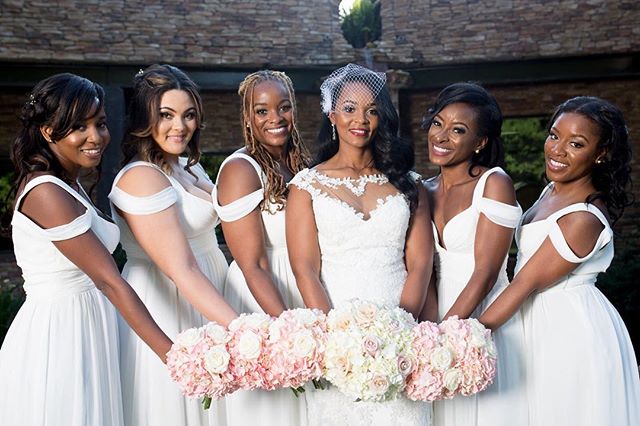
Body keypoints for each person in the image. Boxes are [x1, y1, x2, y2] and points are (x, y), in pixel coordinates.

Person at [0, 73, 172, 426]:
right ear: (49, 131)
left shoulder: (70, 183)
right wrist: (174, 357)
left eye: (101, 124)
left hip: (90, 324)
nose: (96, 137)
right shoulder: (46, 192)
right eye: (80, 126)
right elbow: (109, 280)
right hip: (61, 333)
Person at [287, 63, 434, 426]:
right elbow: (305, 268)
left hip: (402, 331)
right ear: (332, 114)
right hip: (336, 334)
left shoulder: (408, 183)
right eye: (350, 108)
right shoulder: (306, 186)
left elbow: (420, 265)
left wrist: (402, 330)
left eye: (372, 110)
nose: (361, 119)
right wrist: (334, 340)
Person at [480, 96, 640, 425]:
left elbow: (524, 283)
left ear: (601, 153)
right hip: (533, 320)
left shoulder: (583, 217)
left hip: (567, 329)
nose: (557, 150)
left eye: (576, 144)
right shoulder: (552, 190)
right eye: (554, 136)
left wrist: (463, 335)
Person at [108, 64, 237, 426]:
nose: (180, 127)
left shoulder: (187, 167)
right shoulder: (139, 178)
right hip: (170, 302)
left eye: (188, 115)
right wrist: (244, 329)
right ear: (144, 117)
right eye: (166, 115)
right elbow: (183, 269)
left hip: (207, 292)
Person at [420, 82, 527, 426]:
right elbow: (423, 268)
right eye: (438, 124)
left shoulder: (494, 184)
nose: (442, 136)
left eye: (458, 130)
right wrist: (428, 332)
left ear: (480, 143)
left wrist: (448, 337)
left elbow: (485, 273)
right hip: (435, 319)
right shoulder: (422, 188)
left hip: (482, 321)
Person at [213, 70, 310, 426]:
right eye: (262, 111)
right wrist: (287, 328)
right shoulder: (241, 170)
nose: (275, 119)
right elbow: (252, 263)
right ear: (247, 116)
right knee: (274, 410)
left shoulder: (298, 163)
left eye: (283, 107)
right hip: (263, 299)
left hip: (299, 290)